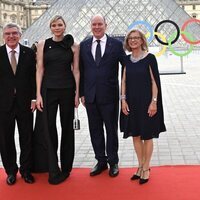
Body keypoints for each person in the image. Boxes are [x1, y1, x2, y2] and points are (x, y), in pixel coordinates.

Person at [34, 15, 80, 185]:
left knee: (67, 128)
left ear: (65, 26)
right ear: (50, 27)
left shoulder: (74, 46)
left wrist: (77, 93)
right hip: (48, 91)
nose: (57, 27)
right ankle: (53, 169)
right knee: (49, 129)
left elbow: (76, 71)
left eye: (60, 24)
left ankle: (66, 167)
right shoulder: (42, 44)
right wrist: (37, 94)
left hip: (68, 90)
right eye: (54, 25)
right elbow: (39, 70)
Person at [80, 14, 126, 177]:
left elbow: (126, 68)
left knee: (111, 130)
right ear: (90, 26)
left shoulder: (116, 45)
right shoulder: (84, 45)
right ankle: (101, 161)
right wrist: (81, 93)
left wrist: (124, 94)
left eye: (100, 24)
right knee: (95, 130)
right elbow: (82, 71)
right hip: (90, 97)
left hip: (110, 96)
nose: (97, 27)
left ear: (106, 25)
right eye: (94, 24)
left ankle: (113, 162)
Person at [120, 29, 166, 184]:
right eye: (130, 38)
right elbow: (123, 81)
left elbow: (155, 82)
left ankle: (146, 168)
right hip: (131, 102)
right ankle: (140, 165)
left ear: (141, 40)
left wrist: (154, 102)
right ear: (127, 42)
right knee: (135, 135)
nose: (133, 40)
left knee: (147, 135)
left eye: (136, 38)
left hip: (146, 102)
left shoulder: (150, 58)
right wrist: (123, 100)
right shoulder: (126, 60)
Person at [0, 23, 36, 185]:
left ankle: (26, 170)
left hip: (25, 103)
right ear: (3, 36)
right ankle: (11, 171)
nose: (11, 36)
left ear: (20, 35)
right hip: (3, 104)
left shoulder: (29, 53)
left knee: (27, 138)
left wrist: (34, 98)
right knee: (5, 139)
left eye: (14, 33)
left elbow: (34, 78)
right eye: (7, 34)